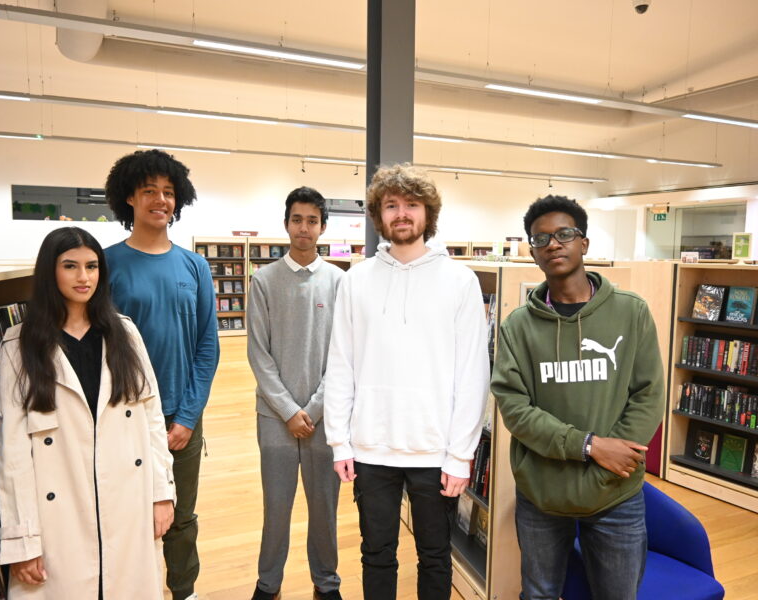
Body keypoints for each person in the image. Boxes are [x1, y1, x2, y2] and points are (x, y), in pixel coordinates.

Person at [324, 164, 490, 600]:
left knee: (435, 556)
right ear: (379, 215)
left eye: (411, 205)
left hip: (435, 452)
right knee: (376, 553)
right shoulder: (356, 280)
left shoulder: (460, 282)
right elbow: (341, 365)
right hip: (371, 447)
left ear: (427, 214)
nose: (401, 214)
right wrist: (340, 441)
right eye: (391, 205)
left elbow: (473, 375)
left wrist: (461, 455)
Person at [491, 195, 665, 600]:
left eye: (564, 234)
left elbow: (649, 394)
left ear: (583, 243)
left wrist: (610, 462)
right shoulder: (518, 326)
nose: (553, 244)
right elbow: (515, 408)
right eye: (541, 239)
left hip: (615, 491)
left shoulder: (630, 312)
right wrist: (590, 446)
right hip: (542, 494)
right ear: (533, 252)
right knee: (539, 593)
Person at [0, 227, 175, 599]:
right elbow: (13, 453)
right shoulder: (19, 345)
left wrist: (161, 494)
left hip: (128, 499)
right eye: (70, 266)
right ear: (50, 272)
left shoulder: (124, 333)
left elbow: (152, 419)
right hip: (59, 510)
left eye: (92, 266)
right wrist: (23, 538)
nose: (83, 277)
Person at [104, 149, 220, 600]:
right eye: (150, 190)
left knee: (181, 513)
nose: (161, 199)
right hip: (126, 416)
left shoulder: (194, 266)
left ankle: (182, 589)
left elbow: (207, 347)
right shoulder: (107, 263)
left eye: (169, 192)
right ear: (129, 197)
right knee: (129, 511)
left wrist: (188, 416)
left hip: (181, 415)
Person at [247, 186, 344, 600]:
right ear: (286, 224)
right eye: (296, 219)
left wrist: (316, 408)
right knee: (277, 509)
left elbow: (344, 356)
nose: (303, 228)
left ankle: (327, 584)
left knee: (325, 510)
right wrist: (288, 410)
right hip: (275, 419)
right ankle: (268, 586)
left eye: (312, 220)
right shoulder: (263, 280)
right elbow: (258, 353)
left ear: (323, 227)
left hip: (326, 418)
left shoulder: (341, 282)